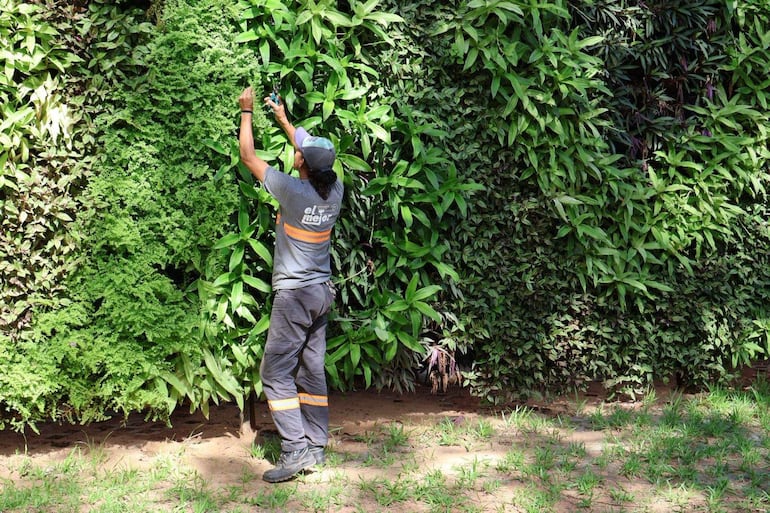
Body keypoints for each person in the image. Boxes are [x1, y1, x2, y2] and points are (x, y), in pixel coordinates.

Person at [237, 86, 343, 483]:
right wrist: (282, 118)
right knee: (311, 368)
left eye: (300, 149)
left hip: (295, 295)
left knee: (275, 372)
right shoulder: (334, 189)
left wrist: (247, 112)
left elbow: (248, 157)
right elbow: (306, 147)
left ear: (300, 162)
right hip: (321, 294)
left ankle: (295, 451)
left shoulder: (292, 192)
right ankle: (315, 445)